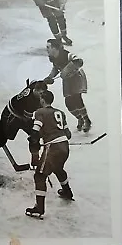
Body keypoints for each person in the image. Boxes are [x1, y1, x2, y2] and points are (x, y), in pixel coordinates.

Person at [25, 90, 74, 220]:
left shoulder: (40, 112)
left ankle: (39, 208)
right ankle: (67, 192)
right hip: (64, 147)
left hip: (53, 148)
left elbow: (35, 133)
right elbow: (68, 134)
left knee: (40, 176)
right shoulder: (60, 113)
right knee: (58, 169)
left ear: (42, 100)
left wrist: (33, 140)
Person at [42, 38, 92, 132]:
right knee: (69, 103)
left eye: (48, 47)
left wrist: (67, 69)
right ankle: (80, 119)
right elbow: (56, 69)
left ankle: (86, 120)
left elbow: (79, 61)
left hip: (76, 77)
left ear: (54, 48)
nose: (47, 49)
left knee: (77, 99)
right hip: (67, 80)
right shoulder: (54, 58)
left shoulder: (67, 55)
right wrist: (50, 77)